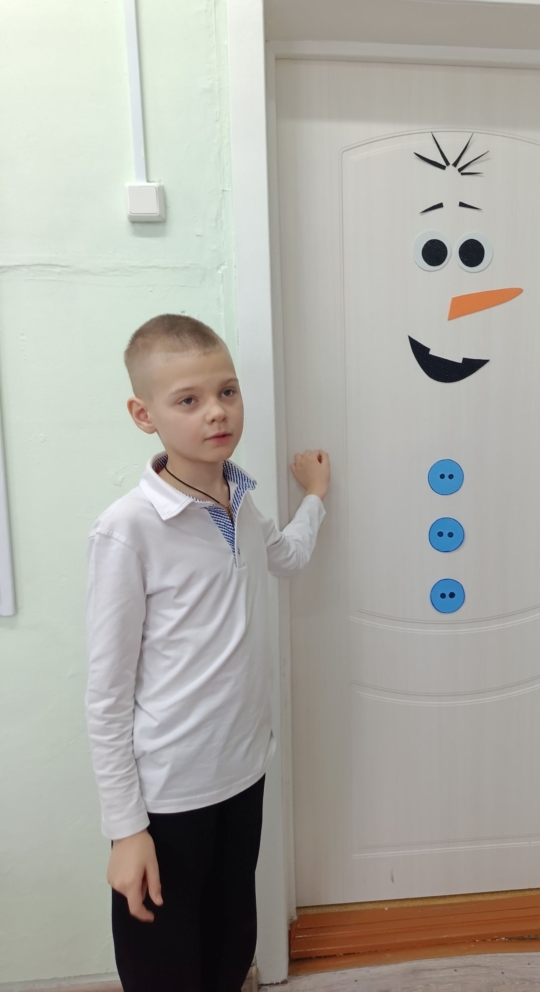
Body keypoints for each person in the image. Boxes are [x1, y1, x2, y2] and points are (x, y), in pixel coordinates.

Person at [85, 314, 329, 991]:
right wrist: (126, 830)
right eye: (188, 400)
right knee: (164, 966)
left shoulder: (241, 504)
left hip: (242, 774)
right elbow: (106, 696)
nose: (216, 412)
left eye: (227, 391)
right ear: (144, 415)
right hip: (168, 798)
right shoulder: (127, 530)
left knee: (229, 946)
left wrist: (314, 497)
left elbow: (286, 557)